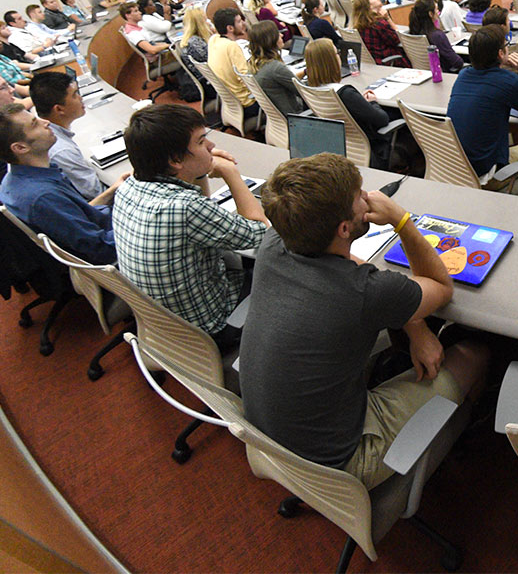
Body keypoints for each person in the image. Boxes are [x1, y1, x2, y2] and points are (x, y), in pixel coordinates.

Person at [240, 153, 489, 487]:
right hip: (338, 464)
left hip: (271, 437)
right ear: (344, 228)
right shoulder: (365, 292)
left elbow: (348, 267)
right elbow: (441, 287)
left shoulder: (277, 240)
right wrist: (402, 221)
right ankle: (458, 440)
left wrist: (415, 324)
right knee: (476, 353)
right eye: (360, 195)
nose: (368, 198)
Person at [112, 104, 268, 351]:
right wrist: (231, 173)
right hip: (210, 329)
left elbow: (199, 207)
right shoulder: (183, 208)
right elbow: (261, 235)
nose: (211, 147)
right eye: (201, 141)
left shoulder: (129, 186)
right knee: (278, 267)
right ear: (175, 160)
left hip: (165, 323)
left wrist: (201, 170)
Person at [0, 104, 122, 264]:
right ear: (20, 147)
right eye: (35, 124)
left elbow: (82, 214)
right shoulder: (43, 197)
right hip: (117, 254)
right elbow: (102, 248)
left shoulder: (18, 178)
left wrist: (114, 190)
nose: (45, 122)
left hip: (104, 231)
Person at [446, 25, 518, 189]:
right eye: (506, 46)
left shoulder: (463, 75)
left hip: (458, 168)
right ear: (501, 54)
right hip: (486, 175)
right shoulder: (508, 80)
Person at [304, 39, 392, 168]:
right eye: (337, 53)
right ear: (331, 61)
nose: (339, 56)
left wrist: (360, 102)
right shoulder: (346, 93)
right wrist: (373, 103)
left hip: (338, 147)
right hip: (367, 148)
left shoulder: (309, 90)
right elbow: (382, 120)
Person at [28, 72, 104, 200]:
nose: (80, 98)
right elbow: (97, 192)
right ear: (58, 109)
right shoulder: (62, 150)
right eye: (74, 95)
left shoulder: (40, 119)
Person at [206, 7, 258, 115]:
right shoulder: (232, 46)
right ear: (230, 28)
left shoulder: (213, 40)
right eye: (239, 21)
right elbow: (246, 79)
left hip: (231, 103)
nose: (243, 23)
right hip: (248, 103)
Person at [247, 20, 305, 116]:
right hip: (297, 114)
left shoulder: (253, 65)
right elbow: (305, 93)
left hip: (280, 115)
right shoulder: (275, 68)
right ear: (271, 40)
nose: (282, 36)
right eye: (278, 34)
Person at [352, 0, 410, 67]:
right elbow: (399, 40)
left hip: (376, 61)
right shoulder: (380, 24)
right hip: (392, 61)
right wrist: (387, 18)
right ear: (369, 6)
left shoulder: (361, 24)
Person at [408, 0, 462, 73]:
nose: (438, 11)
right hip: (444, 73)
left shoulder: (414, 31)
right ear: (430, 14)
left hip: (423, 72)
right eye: (436, 9)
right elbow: (457, 62)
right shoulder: (437, 35)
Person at [176, 7, 214, 104]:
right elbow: (214, 62)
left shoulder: (194, 39)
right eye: (205, 20)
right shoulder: (195, 43)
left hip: (210, 80)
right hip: (210, 84)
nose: (208, 22)